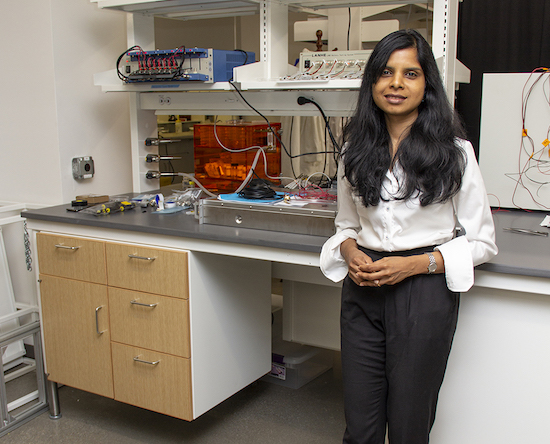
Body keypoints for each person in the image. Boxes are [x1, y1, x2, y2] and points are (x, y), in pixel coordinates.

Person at [320, 29, 498, 444]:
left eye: (410, 74)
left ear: (427, 85)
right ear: (372, 83)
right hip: (363, 289)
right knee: (359, 426)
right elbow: (346, 224)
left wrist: (416, 265)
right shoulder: (354, 151)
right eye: (386, 72)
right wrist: (349, 251)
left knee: (408, 424)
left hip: (424, 291)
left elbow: (482, 243)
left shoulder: (455, 152)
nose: (396, 83)